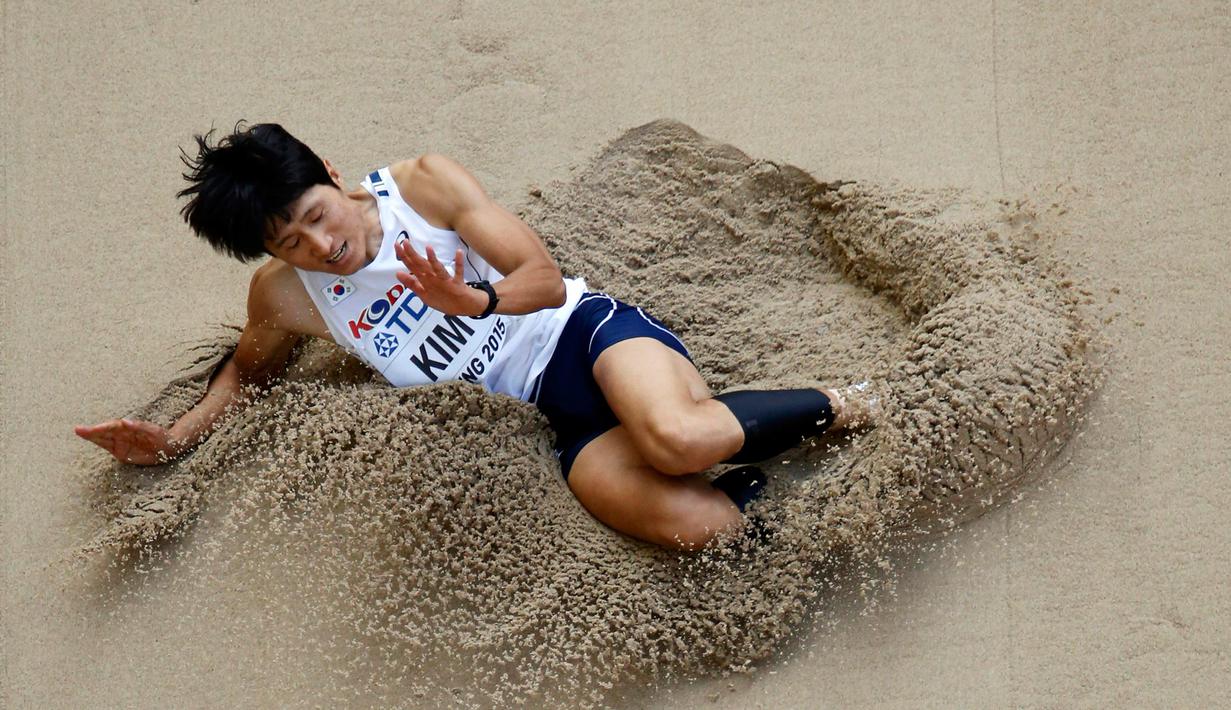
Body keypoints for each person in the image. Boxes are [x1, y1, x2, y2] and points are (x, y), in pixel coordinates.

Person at [75, 123, 875, 550]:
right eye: (290, 242)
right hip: (552, 420)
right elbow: (250, 374)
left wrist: (470, 298)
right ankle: (750, 481)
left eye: (317, 215)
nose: (321, 246)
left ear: (330, 172)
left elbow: (544, 279)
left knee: (676, 440)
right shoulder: (286, 297)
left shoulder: (423, 187)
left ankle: (843, 405)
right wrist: (174, 438)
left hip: (583, 338)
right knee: (705, 532)